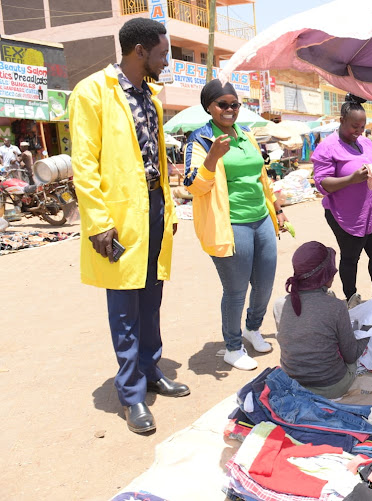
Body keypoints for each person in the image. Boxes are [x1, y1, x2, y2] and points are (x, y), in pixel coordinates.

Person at [69, 18, 187, 434]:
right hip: (117, 215)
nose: (167, 61)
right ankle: (132, 394)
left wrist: (166, 212)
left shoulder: (149, 97)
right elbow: (84, 165)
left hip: (153, 208)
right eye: (163, 53)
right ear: (139, 51)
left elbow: (152, 160)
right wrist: (99, 222)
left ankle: (152, 370)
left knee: (151, 297)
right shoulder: (92, 93)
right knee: (124, 306)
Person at [183, 79, 286, 371]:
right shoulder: (201, 139)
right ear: (209, 107)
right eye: (222, 104)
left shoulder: (246, 135)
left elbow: (261, 176)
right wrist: (213, 158)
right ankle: (232, 346)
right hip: (230, 224)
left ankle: (252, 329)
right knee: (236, 290)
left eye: (234, 104)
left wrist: (277, 209)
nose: (230, 110)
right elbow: (193, 186)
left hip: (261, 218)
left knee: (264, 284)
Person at [312, 94, 372, 307]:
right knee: (350, 258)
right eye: (355, 126)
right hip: (346, 215)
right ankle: (351, 299)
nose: (359, 131)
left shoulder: (365, 142)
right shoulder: (327, 147)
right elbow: (323, 184)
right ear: (341, 120)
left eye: (362, 127)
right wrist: (351, 179)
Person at [276, 241, 369, 398]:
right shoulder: (336, 307)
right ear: (325, 274)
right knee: (357, 353)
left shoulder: (279, 304)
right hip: (332, 386)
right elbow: (351, 355)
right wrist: (368, 333)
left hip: (293, 383)